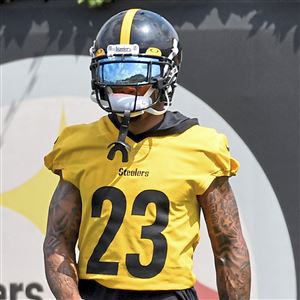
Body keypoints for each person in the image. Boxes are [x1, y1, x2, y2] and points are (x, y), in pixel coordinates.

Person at [43, 8, 251, 300]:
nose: (123, 84)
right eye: (113, 70)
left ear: (167, 73)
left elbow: (229, 247)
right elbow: (58, 240)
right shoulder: (78, 143)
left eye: (137, 72)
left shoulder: (201, 146)